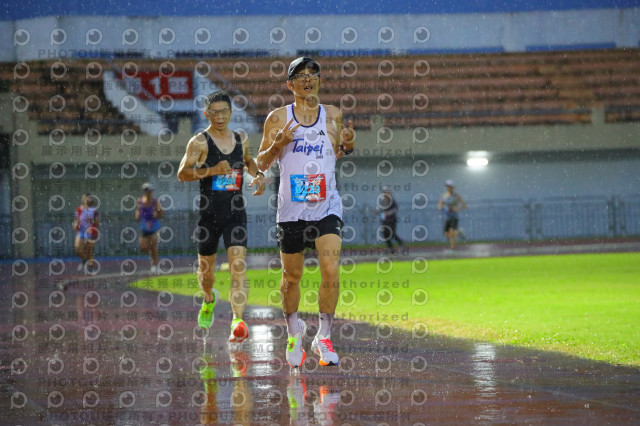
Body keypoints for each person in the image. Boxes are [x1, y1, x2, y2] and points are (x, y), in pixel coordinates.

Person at [256, 57, 355, 368]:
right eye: (300, 76)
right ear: (290, 84)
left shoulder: (333, 115)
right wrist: (277, 145)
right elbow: (260, 163)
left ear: (320, 81)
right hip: (291, 209)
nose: (308, 79)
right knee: (291, 276)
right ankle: (293, 332)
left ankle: (324, 336)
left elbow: (333, 154)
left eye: (313, 74)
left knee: (331, 269)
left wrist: (347, 147)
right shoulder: (277, 118)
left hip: (327, 205)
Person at [177, 90, 265, 343]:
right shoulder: (199, 142)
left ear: (230, 112)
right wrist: (213, 170)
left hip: (236, 214)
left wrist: (258, 175)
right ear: (206, 114)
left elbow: (248, 161)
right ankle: (208, 299)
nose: (219, 116)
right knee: (206, 274)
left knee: (238, 266)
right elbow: (182, 173)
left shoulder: (241, 138)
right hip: (209, 217)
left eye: (224, 111)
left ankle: (237, 320)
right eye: (214, 112)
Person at [135, 182, 163, 274]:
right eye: (145, 190)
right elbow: (138, 212)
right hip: (144, 226)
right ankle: (152, 260)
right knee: (143, 247)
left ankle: (155, 265)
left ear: (152, 191)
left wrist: (157, 214)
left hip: (154, 226)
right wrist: (137, 215)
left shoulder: (155, 202)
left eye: (149, 190)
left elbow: (161, 213)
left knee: (153, 246)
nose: (147, 192)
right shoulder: (140, 201)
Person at [73, 193, 99, 273]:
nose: (84, 200)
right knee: (77, 248)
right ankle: (84, 259)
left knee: (89, 250)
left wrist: (91, 220)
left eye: (86, 198)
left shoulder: (93, 210)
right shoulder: (79, 209)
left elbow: (97, 222)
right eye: (83, 198)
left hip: (90, 232)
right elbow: (76, 220)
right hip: (81, 231)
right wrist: (75, 225)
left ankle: (91, 267)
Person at [437, 179, 467, 249]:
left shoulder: (456, 196)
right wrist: (444, 208)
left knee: (452, 233)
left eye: (450, 186)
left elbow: (464, 206)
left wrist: (457, 209)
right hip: (447, 218)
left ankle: (453, 248)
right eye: (447, 186)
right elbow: (439, 206)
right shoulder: (444, 196)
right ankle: (459, 232)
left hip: (454, 217)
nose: (449, 188)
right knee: (447, 234)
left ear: (453, 187)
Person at [374, 186, 404, 253]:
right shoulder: (383, 202)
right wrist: (377, 213)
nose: (385, 194)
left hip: (391, 220)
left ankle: (401, 242)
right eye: (384, 192)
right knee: (385, 234)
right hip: (385, 221)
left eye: (386, 192)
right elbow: (382, 211)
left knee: (391, 234)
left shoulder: (392, 201)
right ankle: (391, 248)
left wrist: (389, 213)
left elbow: (395, 209)